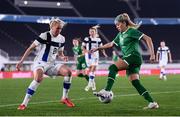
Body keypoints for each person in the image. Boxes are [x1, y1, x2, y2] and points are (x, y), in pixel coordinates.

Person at [92, 13, 159, 109]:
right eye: (116, 25)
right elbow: (111, 44)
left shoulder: (131, 31)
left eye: (118, 24)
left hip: (133, 56)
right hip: (133, 60)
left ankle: (107, 90)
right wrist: (99, 48)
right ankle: (152, 102)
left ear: (124, 23)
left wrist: (152, 54)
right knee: (136, 83)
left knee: (113, 68)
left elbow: (148, 38)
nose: (117, 27)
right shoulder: (120, 35)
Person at [16, 17, 75, 110]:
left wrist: (63, 57)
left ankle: (64, 98)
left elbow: (60, 53)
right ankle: (24, 103)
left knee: (68, 72)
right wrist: (21, 62)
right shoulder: (44, 35)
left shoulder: (62, 39)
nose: (59, 30)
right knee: (39, 78)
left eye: (60, 29)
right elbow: (30, 48)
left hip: (52, 64)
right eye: (57, 28)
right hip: (40, 63)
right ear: (52, 27)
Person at [82, 25, 108, 91]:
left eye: (93, 31)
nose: (91, 32)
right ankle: (93, 83)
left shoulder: (98, 39)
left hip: (95, 56)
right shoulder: (86, 39)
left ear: (95, 32)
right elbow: (82, 47)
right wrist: (86, 51)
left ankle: (89, 84)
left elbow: (101, 47)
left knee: (93, 69)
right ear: (89, 32)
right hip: (88, 56)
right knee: (91, 71)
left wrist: (104, 53)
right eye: (90, 31)